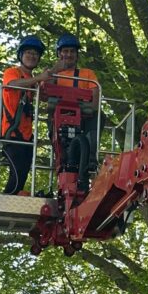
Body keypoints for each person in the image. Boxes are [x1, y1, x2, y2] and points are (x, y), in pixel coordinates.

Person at [46, 33, 102, 186]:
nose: (68, 54)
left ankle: (90, 158)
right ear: (59, 54)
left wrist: (91, 108)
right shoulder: (53, 74)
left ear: (77, 55)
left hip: (83, 117)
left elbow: (95, 94)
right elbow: (44, 92)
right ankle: (63, 160)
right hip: (60, 118)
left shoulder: (87, 74)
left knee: (98, 116)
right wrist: (55, 69)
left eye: (72, 51)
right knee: (58, 133)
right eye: (65, 51)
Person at [0, 35, 51, 194]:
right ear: (21, 55)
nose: (32, 56)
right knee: (16, 176)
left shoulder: (32, 80)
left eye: (35, 54)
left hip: (26, 136)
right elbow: (12, 85)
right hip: (12, 134)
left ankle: (13, 198)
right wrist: (39, 78)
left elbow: (43, 97)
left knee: (22, 176)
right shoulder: (12, 72)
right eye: (28, 52)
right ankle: (7, 201)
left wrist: (44, 80)